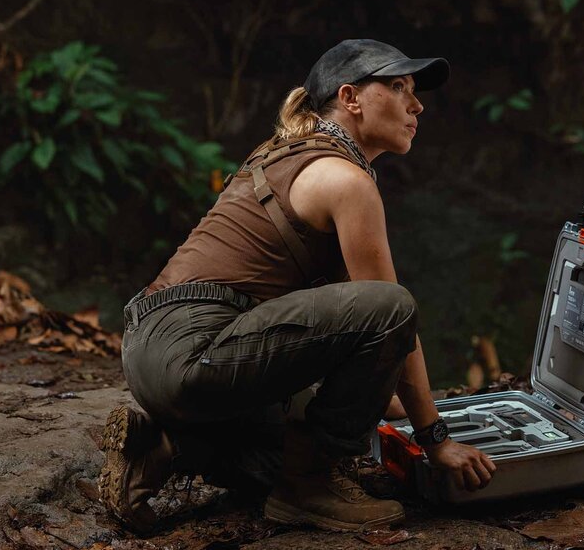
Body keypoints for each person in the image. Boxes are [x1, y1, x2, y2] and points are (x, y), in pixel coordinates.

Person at [98, 38, 497, 534]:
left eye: (414, 91)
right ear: (350, 98)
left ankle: (158, 450)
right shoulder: (346, 180)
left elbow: (343, 338)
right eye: (398, 87)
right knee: (392, 306)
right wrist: (435, 438)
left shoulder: (286, 153)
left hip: (152, 348)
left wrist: (381, 404)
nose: (417, 105)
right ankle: (311, 487)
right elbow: (388, 317)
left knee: (284, 448)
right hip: (194, 350)